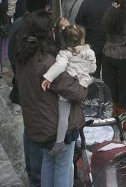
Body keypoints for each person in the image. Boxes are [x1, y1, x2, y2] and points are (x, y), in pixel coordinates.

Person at [15, 11, 88, 187]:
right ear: (48, 33)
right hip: (57, 127)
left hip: (39, 123)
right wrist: (83, 82)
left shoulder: (25, 55)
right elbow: (76, 92)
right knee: (63, 165)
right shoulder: (46, 62)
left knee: (48, 162)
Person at [41, 25, 96, 155]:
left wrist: (48, 78)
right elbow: (93, 69)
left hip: (69, 87)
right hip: (82, 86)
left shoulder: (64, 54)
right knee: (77, 111)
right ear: (82, 38)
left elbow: (59, 66)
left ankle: (59, 142)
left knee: (63, 116)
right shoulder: (90, 52)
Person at [101, 0, 126, 131]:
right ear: (125, 5)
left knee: (111, 87)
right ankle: (122, 120)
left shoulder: (107, 17)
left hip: (108, 54)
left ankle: (112, 115)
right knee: (124, 89)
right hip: (124, 57)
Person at [75, 0, 112, 77]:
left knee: (92, 74)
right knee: (108, 76)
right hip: (108, 46)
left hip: (91, 44)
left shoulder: (86, 3)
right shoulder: (113, 5)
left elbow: (79, 23)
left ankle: (94, 90)